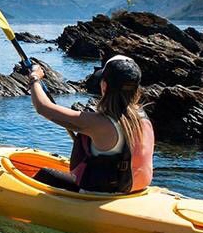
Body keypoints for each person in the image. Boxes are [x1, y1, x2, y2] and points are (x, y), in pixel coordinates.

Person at [27, 55, 154, 193]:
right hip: (134, 190)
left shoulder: (97, 123)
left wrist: (35, 78)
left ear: (104, 85)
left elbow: (42, 107)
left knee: (46, 175)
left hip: (102, 195)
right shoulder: (143, 118)